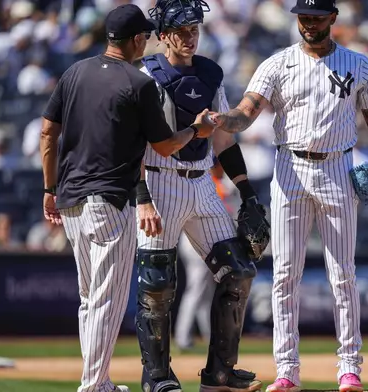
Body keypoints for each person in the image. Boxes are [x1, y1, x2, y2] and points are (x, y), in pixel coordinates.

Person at [208, 0, 368, 390]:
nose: (309, 24)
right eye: (303, 17)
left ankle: (349, 367)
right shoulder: (277, 63)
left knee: (343, 274)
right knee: (285, 274)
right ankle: (287, 370)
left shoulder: (358, 64)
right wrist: (221, 120)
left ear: (333, 18)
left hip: (338, 165)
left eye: (316, 17)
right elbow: (246, 113)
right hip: (290, 166)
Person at [39, 4, 215, 392]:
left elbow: (48, 133)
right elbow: (167, 146)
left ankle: (95, 381)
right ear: (137, 40)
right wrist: (197, 130)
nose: (148, 42)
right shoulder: (138, 83)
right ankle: (94, 385)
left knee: (90, 298)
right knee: (108, 300)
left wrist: (49, 189)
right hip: (110, 200)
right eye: (146, 36)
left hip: (69, 200)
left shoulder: (74, 72)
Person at [135, 0, 265, 391]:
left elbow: (223, 138)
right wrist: (141, 196)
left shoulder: (210, 73)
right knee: (157, 283)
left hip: (202, 183)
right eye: (181, 30)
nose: (190, 36)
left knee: (238, 271)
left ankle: (220, 372)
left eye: (195, 28)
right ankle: (157, 376)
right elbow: (133, 143)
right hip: (159, 181)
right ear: (163, 36)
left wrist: (248, 192)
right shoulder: (146, 74)